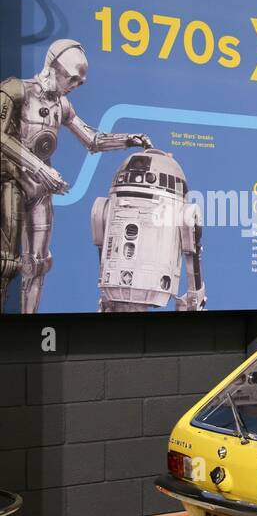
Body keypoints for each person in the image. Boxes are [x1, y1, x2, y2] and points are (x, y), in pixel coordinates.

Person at [1, 39, 151, 313]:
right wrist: (40, 168)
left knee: (38, 263)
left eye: (80, 82)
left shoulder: (62, 105)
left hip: (40, 192)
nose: (75, 85)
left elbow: (91, 139)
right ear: (52, 68)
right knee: (7, 264)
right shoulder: (18, 91)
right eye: (72, 78)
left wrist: (128, 139)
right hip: (11, 182)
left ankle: (28, 322)